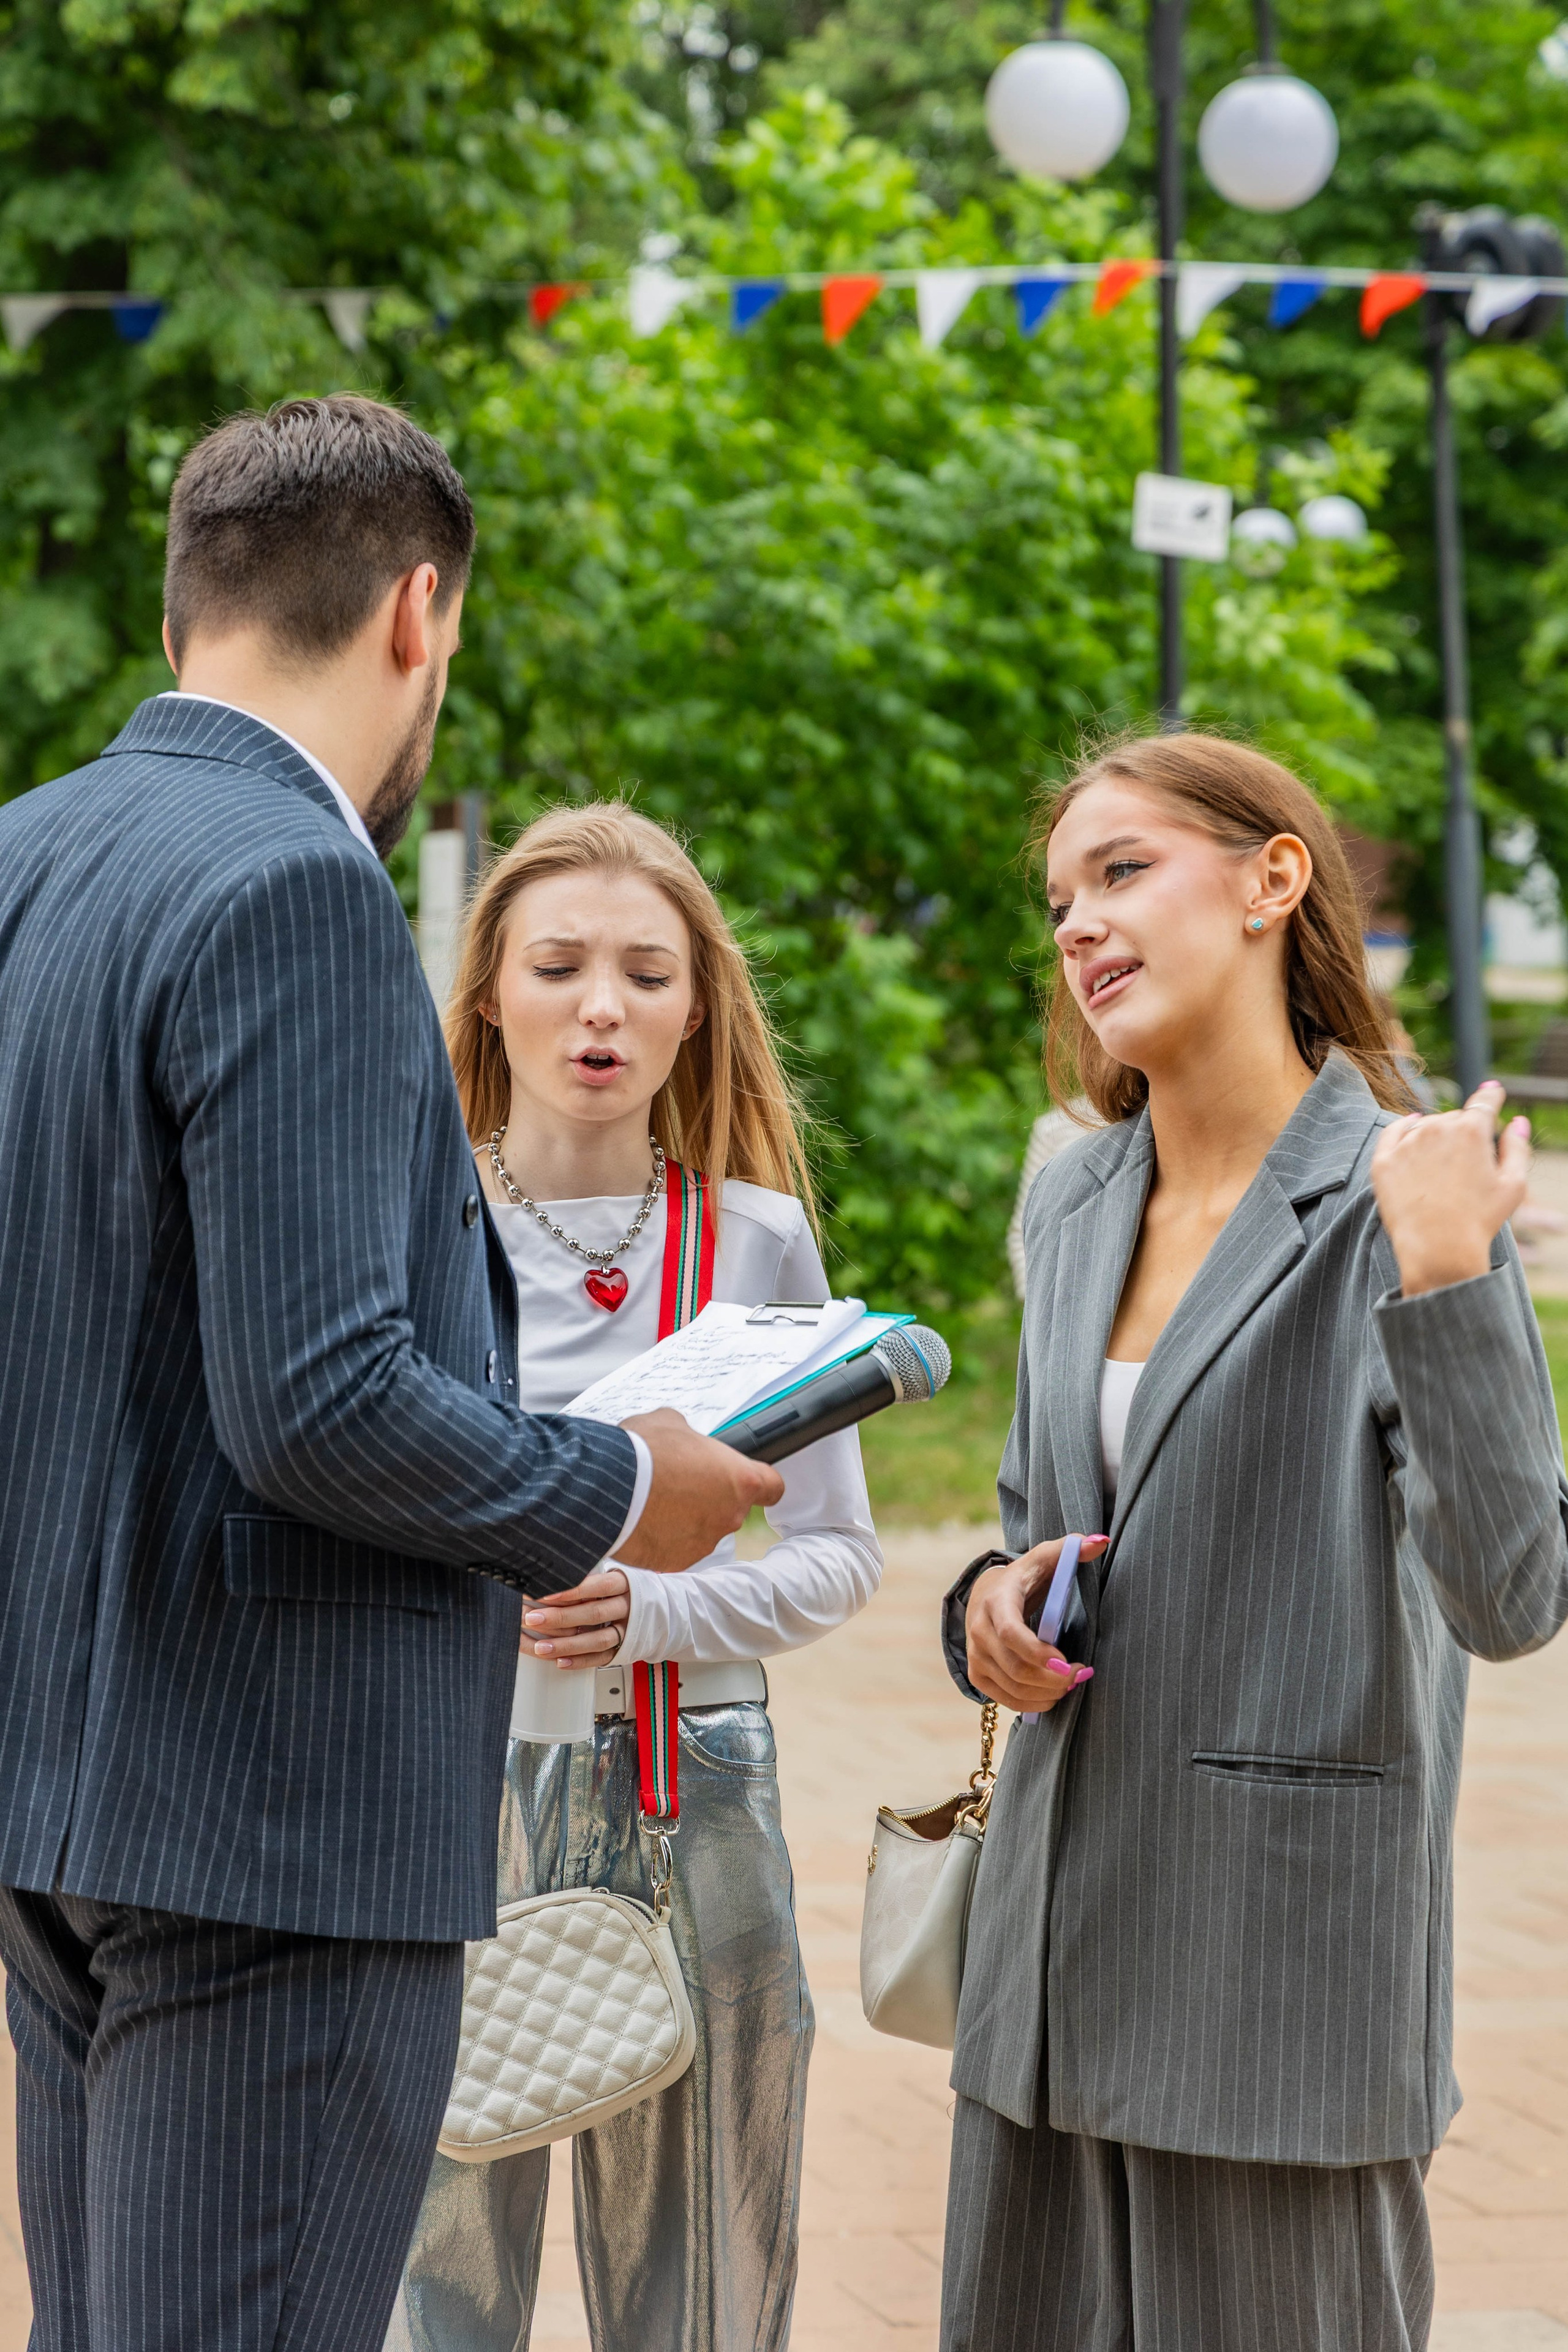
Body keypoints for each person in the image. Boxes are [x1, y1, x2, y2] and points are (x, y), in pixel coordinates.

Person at [0, 396, 781, 2352]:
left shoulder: (28, 856)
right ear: (420, 614)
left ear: (188, 615)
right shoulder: (298, 883)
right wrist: (621, 1487)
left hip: (56, 1792)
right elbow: (327, 1396)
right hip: (273, 1806)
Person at [937, 731, 1568, 2352]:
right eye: (1062, 896)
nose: (1078, 923)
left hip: (1275, 1981)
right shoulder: (1075, 1203)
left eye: (1124, 871)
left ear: (1273, 881)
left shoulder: (1404, 1199)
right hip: (1046, 1983)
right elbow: (1036, 1531)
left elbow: (1511, 1598)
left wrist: (1450, 1278)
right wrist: (986, 1610)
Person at [386, 802, 881, 2352]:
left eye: (646, 974)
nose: (601, 1007)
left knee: (708, 2272)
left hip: (692, 1788)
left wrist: (654, 1608)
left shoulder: (753, 1238)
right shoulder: (405, 1228)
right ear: (487, 995)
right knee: (437, 2259)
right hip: (449, 1791)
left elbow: (837, 1553)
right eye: (559, 966)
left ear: (696, 1006)